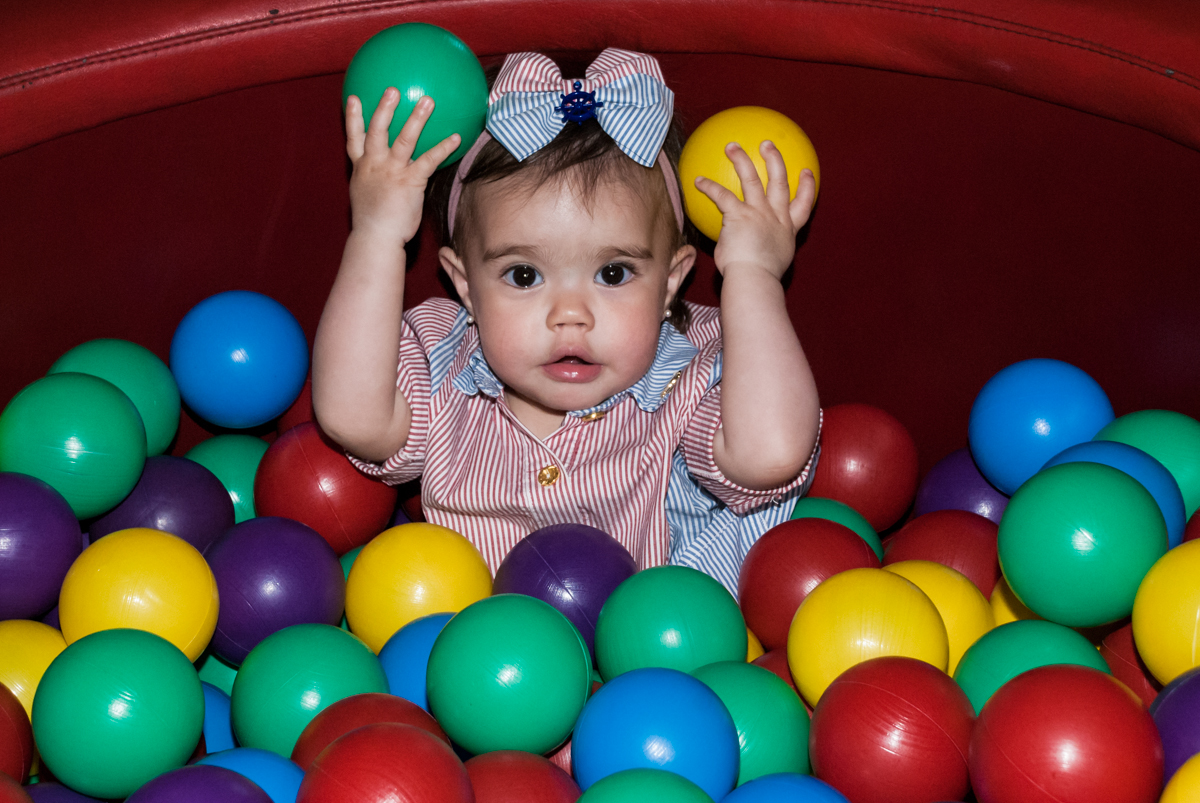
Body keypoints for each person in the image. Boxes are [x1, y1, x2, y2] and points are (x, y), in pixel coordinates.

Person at [313, 49, 820, 592]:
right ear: (465, 287)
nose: (570, 315)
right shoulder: (442, 368)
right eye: (524, 276)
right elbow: (354, 418)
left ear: (670, 283)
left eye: (614, 273)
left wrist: (753, 274)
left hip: (647, 640)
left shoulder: (685, 380)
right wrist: (377, 235)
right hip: (464, 637)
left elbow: (769, 456)